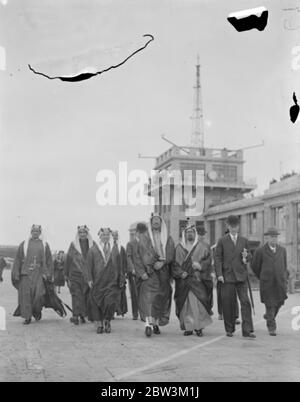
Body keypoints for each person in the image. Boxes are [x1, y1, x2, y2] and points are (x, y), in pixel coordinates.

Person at [215, 215, 255, 338]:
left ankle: (247, 330)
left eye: (236, 226)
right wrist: (219, 274)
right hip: (227, 277)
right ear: (228, 226)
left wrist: (245, 257)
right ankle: (229, 329)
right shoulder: (222, 240)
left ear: (238, 227)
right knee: (228, 303)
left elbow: (249, 257)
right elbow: (217, 258)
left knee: (245, 302)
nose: (233, 228)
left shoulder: (244, 240)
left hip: (241, 277)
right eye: (231, 226)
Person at [135, 214, 175, 337]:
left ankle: (156, 323)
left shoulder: (168, 238)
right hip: (149, 273)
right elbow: (137, 256)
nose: (156, 222)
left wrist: (162, 263)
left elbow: (171, 253)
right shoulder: (144, 238)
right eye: (154, 220)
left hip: (163, 272)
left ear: (161, 223)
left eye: (158, 220)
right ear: (151, 223)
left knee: (160, 298)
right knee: (148, 298)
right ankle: (148, 324)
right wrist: (142, 273)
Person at [173, 224, 213, 337]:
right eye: (187, 232)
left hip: (197, 280)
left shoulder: (203, 246)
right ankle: (188, 327)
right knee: (186, 305)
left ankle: (199, 327)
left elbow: (208, 260)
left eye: (191, 232)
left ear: (195, 234)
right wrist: (181, 273)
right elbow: (174, 265)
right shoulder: (179, 247)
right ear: (184, 234)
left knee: (198, 304)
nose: (189, 234)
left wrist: (200, 266)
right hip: (184, 281)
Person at [11, 225, 53, 325]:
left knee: (38, 295)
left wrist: (48, 274)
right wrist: (16, 273)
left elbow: (49, 260)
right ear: (31, 232)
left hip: (39, 274)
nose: (35, 233)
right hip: (25, 274)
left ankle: (37, 311)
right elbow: (17, 259)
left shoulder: (45, 245)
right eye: (34, 231)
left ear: (40, 233)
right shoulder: (24, 244)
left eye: (37, 231)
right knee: (26, 296)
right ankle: (27, 317)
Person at [251, 227, 289, 336]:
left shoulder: (282, 250)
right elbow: (255, 266)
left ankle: (269, 316)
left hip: (280, 282)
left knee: (279, 302)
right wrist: (262, 276)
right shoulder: (260, 251)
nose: (274, 239)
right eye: (272, 237)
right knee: (270, 304)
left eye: (276, 237)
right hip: (267, 283)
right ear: (267, 238)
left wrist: (284, 277)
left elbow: (284, 265)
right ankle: (271, 327)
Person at [87, 228, 123, 334]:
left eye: (108, 235)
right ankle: (99, 324)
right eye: (104, 235)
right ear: (100, 236)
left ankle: (107, 320)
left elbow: (120, 265)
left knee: (110, 302)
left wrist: (121, 278)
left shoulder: (115, 249)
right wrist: (89, 279)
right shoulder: (93, 250)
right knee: (97, 303)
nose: (106, 237)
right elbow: (88, 266)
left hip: (111, 281)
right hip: (98, 282)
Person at [64, 225, 94, 325]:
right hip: (75, 274)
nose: (82, 234)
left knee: (85, 295)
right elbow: (68, 259)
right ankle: (75, 315)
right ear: (78, 234)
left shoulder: (92, 245)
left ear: (87, 233)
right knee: (76, 294)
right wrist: (66, 275)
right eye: (80, 233)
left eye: (84, 232)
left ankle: (82, 314)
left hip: (87, 275)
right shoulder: (73, 245)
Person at [196, 226, 214, 312]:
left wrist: (201, 266)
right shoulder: (190, 245)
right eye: (200, 234)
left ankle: (208, 308)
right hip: (194, 276)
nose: (202, 236)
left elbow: (209, 259)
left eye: (203, 234)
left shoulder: (207, 246)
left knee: (208, 292)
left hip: (206, 275)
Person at [111, 230, 128, 317]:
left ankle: (118, 310)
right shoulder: (107, 248)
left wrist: (124, 273)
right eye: (113, 235)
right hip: (110, 275)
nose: (114, 237)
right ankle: (110, 311)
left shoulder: (121, 248)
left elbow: (125, 261)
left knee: (119, 293)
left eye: (116, 235)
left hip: (119, 274)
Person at [126, 223, 140, 320]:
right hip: (134, 273)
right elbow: (128, 257)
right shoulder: (130, 244)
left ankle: (144, 312)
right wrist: (133, 269)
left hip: (144, 272)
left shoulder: (147, 243)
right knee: (134, 294)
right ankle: (135, 314)